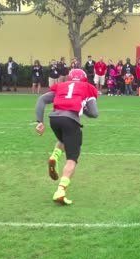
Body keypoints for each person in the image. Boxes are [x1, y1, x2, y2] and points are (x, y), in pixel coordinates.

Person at [34, 69, 99, 205]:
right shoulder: (88, 88)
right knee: (72, 158)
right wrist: (84, 107)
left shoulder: (61, 85)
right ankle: (61, 191)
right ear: (84, 79)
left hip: (54, 118)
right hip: (70, 119)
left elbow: (42, 99)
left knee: (63, 140)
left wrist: (40, 122)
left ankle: (55, 156)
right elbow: (94, 113)